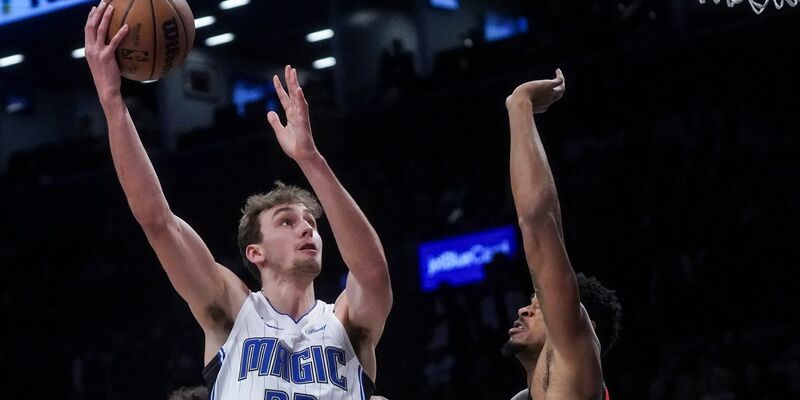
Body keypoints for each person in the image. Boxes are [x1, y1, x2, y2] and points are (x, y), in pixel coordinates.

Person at [84, 3, 392, 399]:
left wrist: (311, 160)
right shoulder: (233, 312)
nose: (307, 228)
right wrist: (112, 101)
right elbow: (158, 221)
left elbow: (372, 271)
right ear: (255, 252)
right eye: (287, 221)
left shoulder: (347, 322)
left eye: (311, 223)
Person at [502, 69, 622, 400]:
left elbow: (539, 223)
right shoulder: (532, 395)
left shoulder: (574, 362)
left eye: (539, 306)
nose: (523, 311)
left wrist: (520, 105)